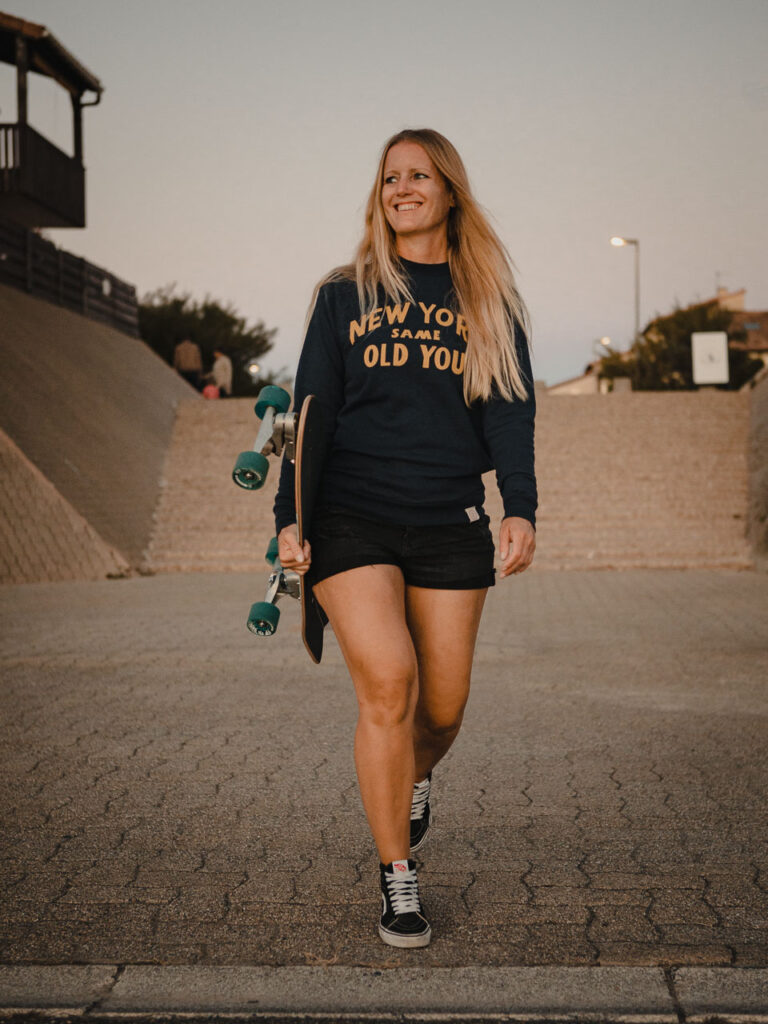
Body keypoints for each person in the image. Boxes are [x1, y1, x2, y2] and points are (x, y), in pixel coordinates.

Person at [273, 128, 536, 949]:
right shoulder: (343, 293)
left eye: (419, 176)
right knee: (389, 683)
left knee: (443, 708)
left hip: (449, 518)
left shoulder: (486, 298)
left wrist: (520, 506)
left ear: (450, 191)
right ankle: (398, 879)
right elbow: (308, 413)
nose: (402, 189)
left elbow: (510, 411)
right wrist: (288, 517)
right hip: (351, 514)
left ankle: (415, 774)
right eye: (391, 178)